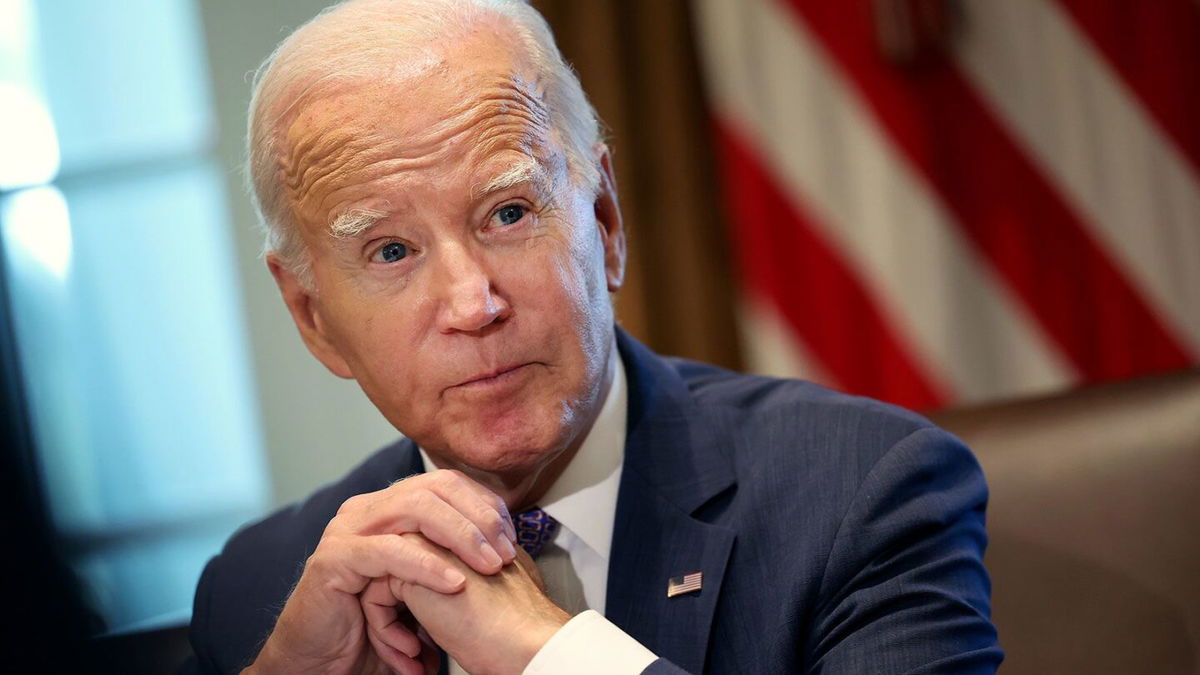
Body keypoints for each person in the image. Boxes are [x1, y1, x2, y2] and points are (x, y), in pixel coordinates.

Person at [183, 0, 1003, 673]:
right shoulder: (256, 593)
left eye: (508, 213)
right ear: (313, 317)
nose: (474, 303)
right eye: (391, 251)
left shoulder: (863, 492)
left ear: (605, 224)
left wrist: (551, 656)